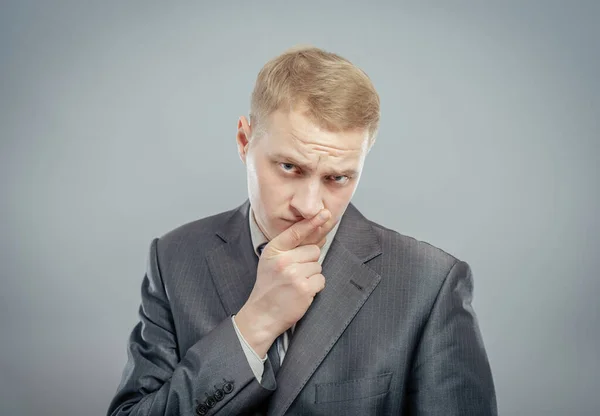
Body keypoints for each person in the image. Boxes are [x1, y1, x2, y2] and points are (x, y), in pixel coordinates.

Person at [107, 46, 497, 416]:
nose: (310, 205)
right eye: (290, 168)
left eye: (337, 178)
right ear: (244, 141)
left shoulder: (430, 283)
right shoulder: (174, 258)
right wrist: (254, 326)